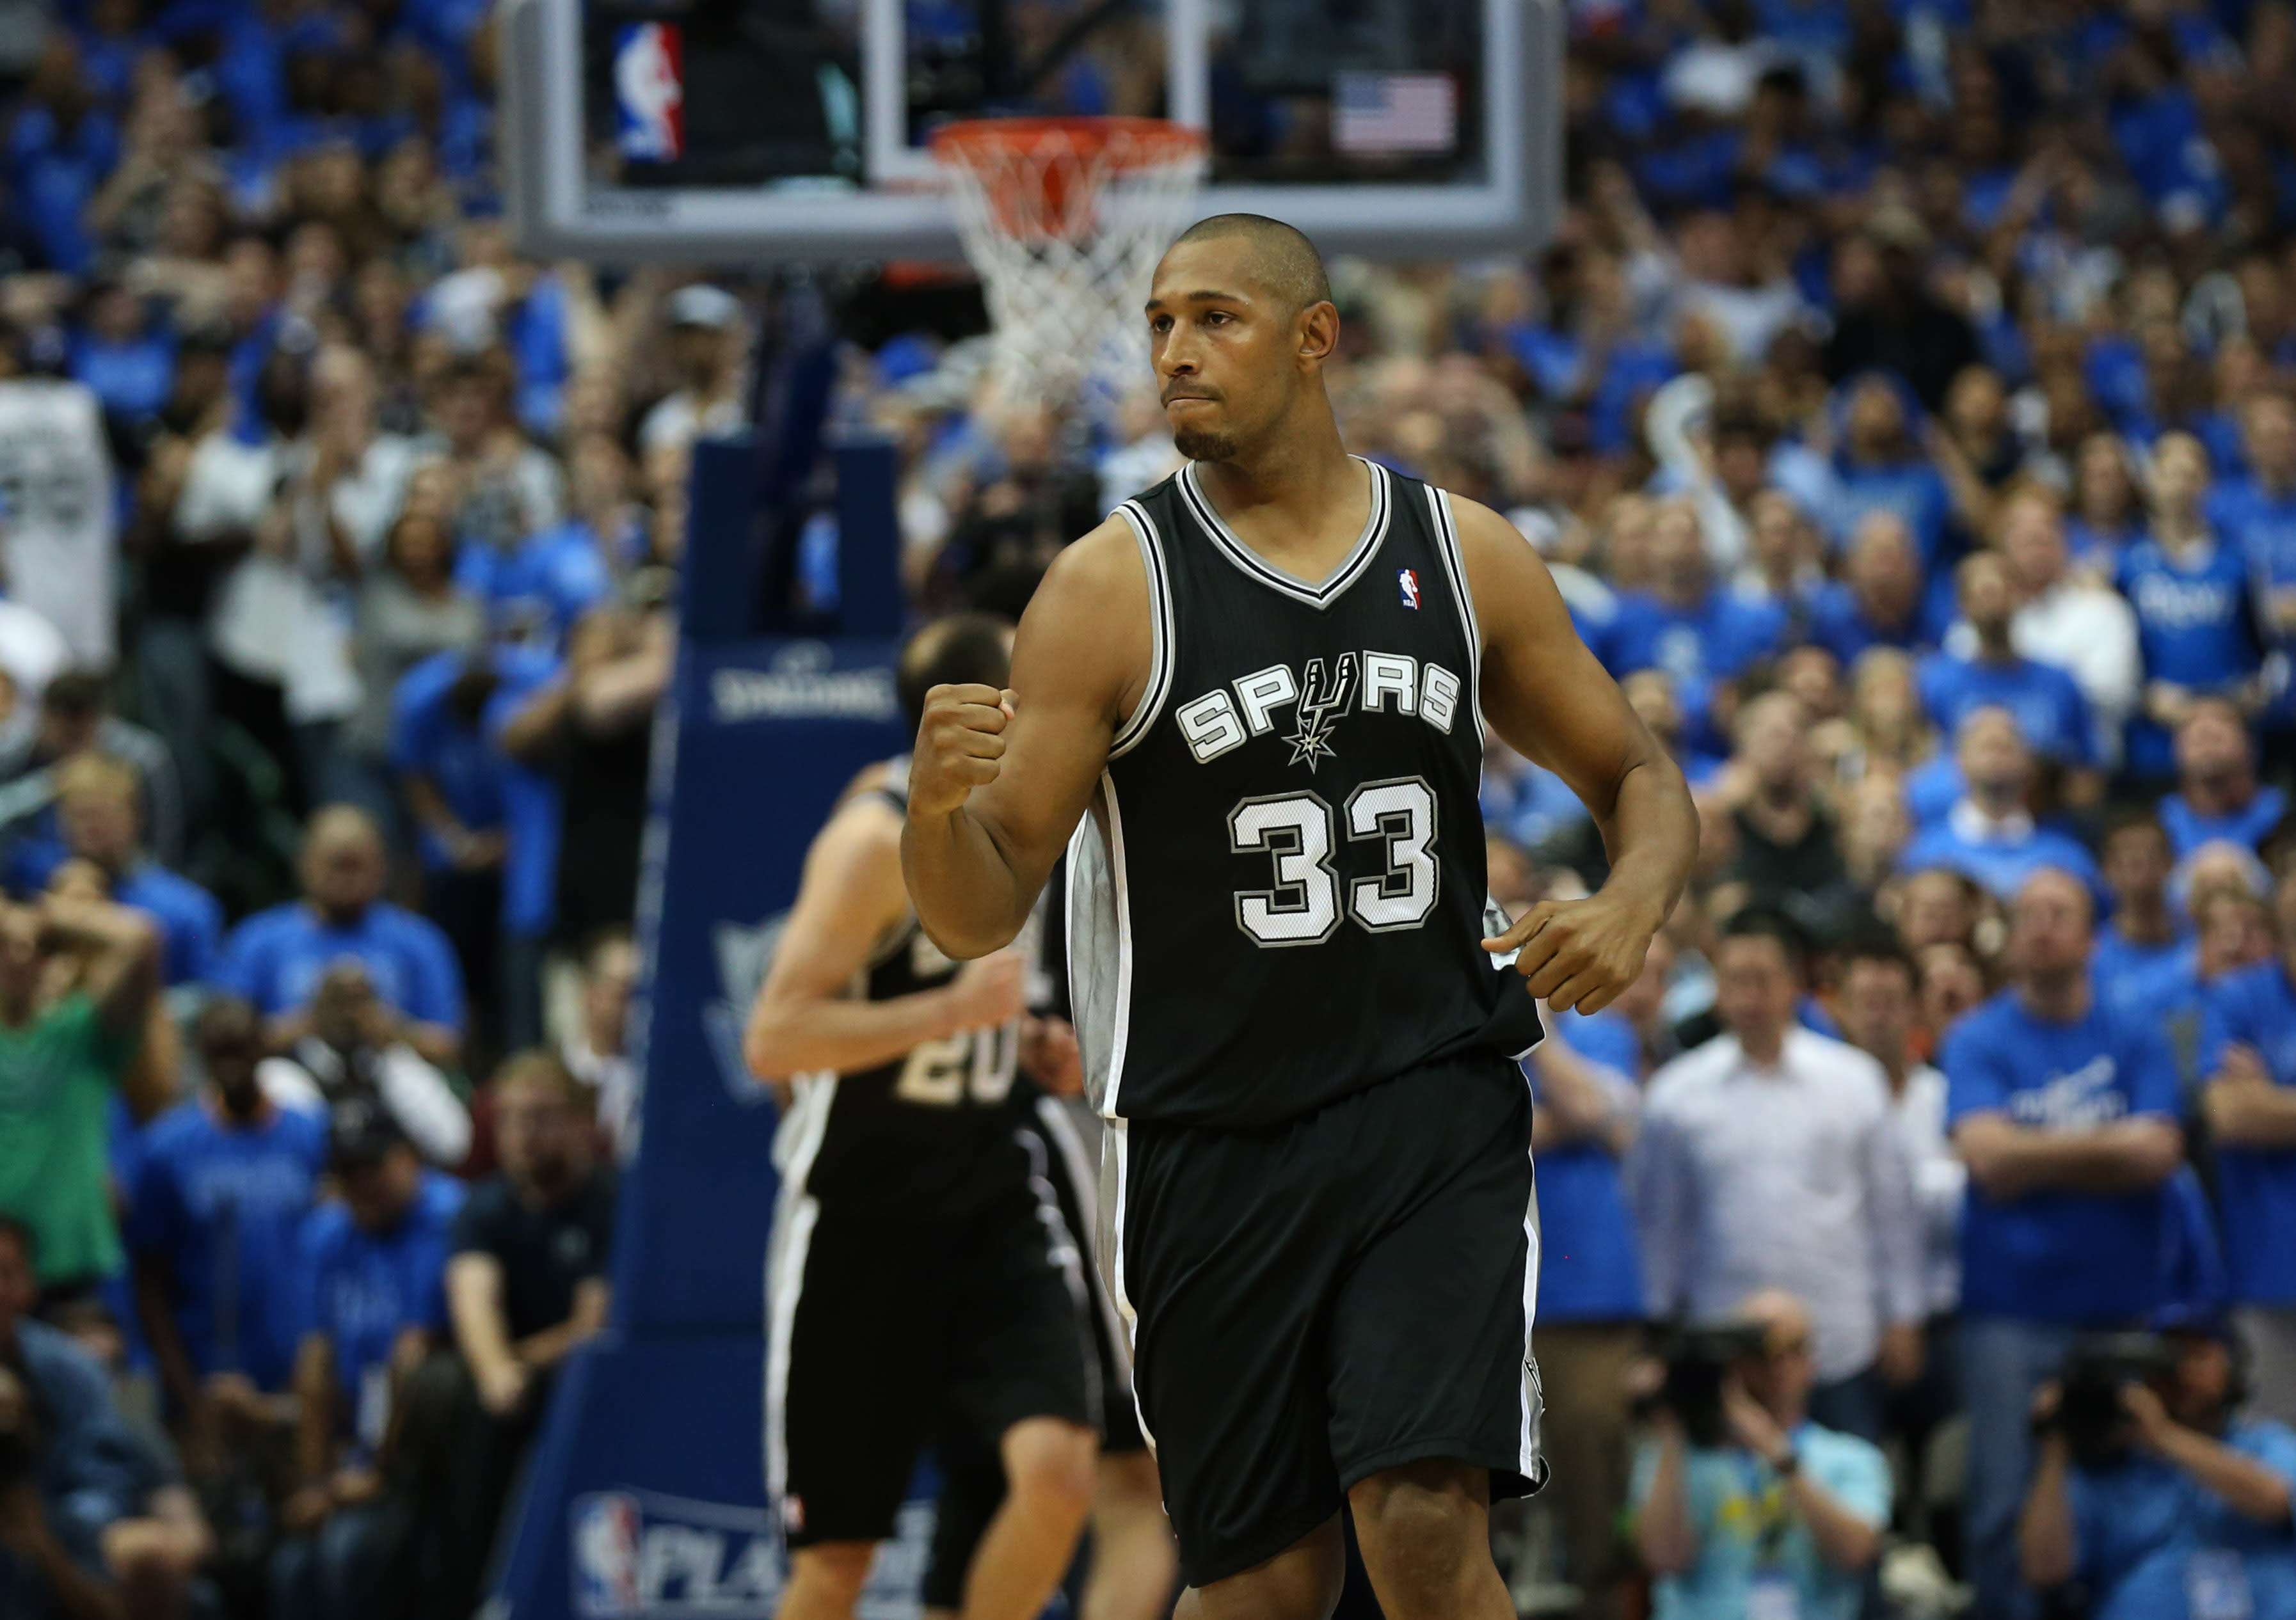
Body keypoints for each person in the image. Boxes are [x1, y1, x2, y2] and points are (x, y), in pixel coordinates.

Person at [902, 215, 1698, 1617]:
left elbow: (1635, 771)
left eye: (1216, 318)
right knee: (1265, 1589)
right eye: (1159, 323)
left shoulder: (1460, 554)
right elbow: (977, 908)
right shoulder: (1105, 588)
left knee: (1425, 1530)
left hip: (1427, 1108)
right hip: (1210, 1140)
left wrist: (1634, 898)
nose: (1175, 352)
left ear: (1315, 336)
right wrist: (931, 814)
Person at [742, 612, 1101, 1620]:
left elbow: (986, 1011)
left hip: (988, 1199)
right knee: (838, 1564)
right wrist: (950, 1013)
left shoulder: (1026, 823)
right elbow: (775, 1037)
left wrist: (1023, 1044)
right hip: (861, 1220)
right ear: (986, 711)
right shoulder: (869, 843)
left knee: (1059, 1471)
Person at [1943, 865, 2187, 1619]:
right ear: (2011, 938)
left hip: (2125, 1309)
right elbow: (1985, 1158)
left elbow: (2159, 1156)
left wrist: (2031, 1154)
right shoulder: (1976, 1037)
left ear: (2091, 935)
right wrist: (2108, 1149)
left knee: (2133, 1497)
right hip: (2008, 1312)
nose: (2042, 925)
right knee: (2001, 1505)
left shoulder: (2136, 1030)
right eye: (2029, 914)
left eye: (2061, 912)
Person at [1633, 908, 1924, 1441]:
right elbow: (1663, 1225)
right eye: (1735, 981)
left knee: (1846, 1502)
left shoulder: (1855, 1082)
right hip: (1722, 1337)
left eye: (1763, 980)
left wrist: (1903, 1317)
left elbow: (1893, 1215)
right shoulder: (1675, 1095)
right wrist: (1659, 1329)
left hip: (1839, 1338)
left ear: (1796, 984)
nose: (1749, 997)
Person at [271, 1104, 465, 1620]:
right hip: (353, 1453)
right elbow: (315, 1364)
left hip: (425, 1459)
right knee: (291, 1567)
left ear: (409, 1159)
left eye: (373, 1167)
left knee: (349, 1552)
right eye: (348, 1173)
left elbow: (414, 1358)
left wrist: (373, 1478)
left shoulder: (443, 1217)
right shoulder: (329, 1234)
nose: (362, 1184)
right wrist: (315, 1484)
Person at [441, 1052, 614, 1612]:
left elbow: (592, 1323)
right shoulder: (483, 1208)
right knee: (462, 1398)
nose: (522, 1133)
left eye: (540, 1116)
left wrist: (519, 1365)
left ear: (583, 1121)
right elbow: (473, 1298)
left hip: (585, 1379)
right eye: (510, 1118)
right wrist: (497, 1374)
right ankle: (482, 1596)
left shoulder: (611, 1201)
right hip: (510, 1391)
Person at [129, 996, 329, 1463]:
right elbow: (149, 1282)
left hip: (298, 1380)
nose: (232, 1065)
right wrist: (189, 1397)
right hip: (208, 1384)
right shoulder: (166, 1150)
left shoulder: (310, 1136)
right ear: (201, 1055)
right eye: (219, 1052)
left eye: (242, 1049)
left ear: (264, 1049)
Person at [1630, 1289, 1892, 1620]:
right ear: (1730, 1361)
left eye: (1790, 1349)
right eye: (1757, 1351)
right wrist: (1671, 1427)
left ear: (1811, 1361)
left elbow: (1857, 1554)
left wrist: (1777, 1451)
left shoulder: (1850, 1457)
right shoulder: (1676, 1455)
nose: (1775, 1365)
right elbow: (1662, 1559)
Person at [2020, 1314, 2296, 1620]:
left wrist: (2164, 1437)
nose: (2181, 1370)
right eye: (2167, 1356)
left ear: (2232, 1366)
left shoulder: (2264, 1443)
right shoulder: (2110, 1465)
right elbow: (2044, 1572)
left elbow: (2278, 1500)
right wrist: (2056, 1443)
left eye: (2198, 1355)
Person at [1526, 1024, 1646, 1620]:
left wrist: (1535, 1027)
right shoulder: (1449, 1018)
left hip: (1584, 1294)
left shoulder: (1598, 1031)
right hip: (1479, 1290)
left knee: (1593, 1449)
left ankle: (1606, 1601)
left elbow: (1591, 1106)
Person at [0, 891, 163, 1300]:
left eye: (34, 947)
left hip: (71, 1270)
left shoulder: (80, 1033)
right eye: (4, 945)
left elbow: (142, 941)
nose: (18, 958)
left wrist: (52, 916)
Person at [219, 804, 466, 1068]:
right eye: (336, 865)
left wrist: (389, 1029)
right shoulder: (258, 940)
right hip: (291, 1079)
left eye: (357, 865)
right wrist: (312, 1023)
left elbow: (451, 1046)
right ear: (305, 864)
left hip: (392, 1077)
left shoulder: (420, 941)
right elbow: (228, 1041)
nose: (347, 880)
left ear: (382, 867)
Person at [0, 1218, 146, 1620]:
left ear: (29, 1284)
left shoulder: (72, 1369)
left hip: (62, 1538)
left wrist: (43, 1526)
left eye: (7, 1273)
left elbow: (105, 1482)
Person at [2196, 871, 2296, 1428]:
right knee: (2280, 1462)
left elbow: (2256, 1110)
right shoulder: (2238, 997)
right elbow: (2231, 1116)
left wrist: (2272, 1100)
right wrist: (2251, 1106)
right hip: (2269, 1269)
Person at [7, 751, 221, 989]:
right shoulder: (32, 879)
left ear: (137, 817)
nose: (90, 829)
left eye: (101, 816)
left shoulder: (185, 908)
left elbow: (203, 996)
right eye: (78, 816)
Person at [255, 961, 472, 1166]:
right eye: (337, 1002)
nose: (348, 1015)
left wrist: (392, 1047)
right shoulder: (286, 1075)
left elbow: (453, 1146)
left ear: (378, 1011)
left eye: (360, 1003)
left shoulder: (398, 1065)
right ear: (315, 1011)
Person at [1918, 551, 2097, 781]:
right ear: (1962, 605)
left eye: (2001, 593)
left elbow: (2088, 769)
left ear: (2020, 597)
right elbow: (1927, 766)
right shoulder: (1937, 684)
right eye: (1983, 595)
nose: (1993, 606)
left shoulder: (2059, 681)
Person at [1898, 707, 2103, 900]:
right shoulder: (1924, 855)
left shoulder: (2067, 858)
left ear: (2028, 763)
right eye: (1986, 747)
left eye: (2006, 748)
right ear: (1959, 761)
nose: (1996, 755)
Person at [2093, 811, 2191, 1016]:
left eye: (2151, 854)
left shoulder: (2198, 943)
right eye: (2127, 856)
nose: (2140, 862)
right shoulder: (2091, 956)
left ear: (2171, 865)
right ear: (2106, 871)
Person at [2161, 699, 2286, 859]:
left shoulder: (2282, 815)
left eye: (2218, 735)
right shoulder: (2159, 823)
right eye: (2196, 736)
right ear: (2175, 750)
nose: (2207, 741)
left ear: (2251, 745)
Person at [561, 925, 637, 1150]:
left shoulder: (654, 1078)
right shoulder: (559, 1072)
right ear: (589, 991)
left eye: (641, 994)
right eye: (623, 993)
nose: (635, 1007)